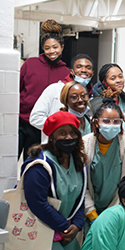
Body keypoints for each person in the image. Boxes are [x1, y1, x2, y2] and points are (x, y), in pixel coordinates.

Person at [20, 111, 87, 250]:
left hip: (62, 227)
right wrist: (65, 226)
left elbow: (80, 196)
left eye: (73, 133)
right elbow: (37, 204)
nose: (69, 137)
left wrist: (77, 225)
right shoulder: (40, 164)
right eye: (62, 133)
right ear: (52, 137)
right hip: (37, 225)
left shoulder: (77, 161)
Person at [83, 98, 125, 224]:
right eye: (106, 121)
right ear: (96, 122)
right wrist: (92, 214)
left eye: (116, 122)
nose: (111, 125)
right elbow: (81, 185)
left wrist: (112, 213)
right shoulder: (84, 145)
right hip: (87, 210)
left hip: (119, 208)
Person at [19, 19, 70, 160]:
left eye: (55, 47)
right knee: (9, 161)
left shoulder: (66, 72)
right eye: (47, 48)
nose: (51, 51)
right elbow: (17, 88)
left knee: (32, 163)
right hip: (22, 122)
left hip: (42, 127)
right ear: (43, 49)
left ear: (62, 47)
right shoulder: (30, 64)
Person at [30, 54, 95, 144]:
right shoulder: (54, 89)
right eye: (79, 67)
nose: (83, 70)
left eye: (88, 67)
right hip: (55, 147)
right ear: (72, 71)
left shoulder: (92, 95)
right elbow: (35, 118)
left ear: (92, 73)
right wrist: (60, 127)